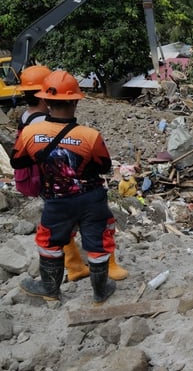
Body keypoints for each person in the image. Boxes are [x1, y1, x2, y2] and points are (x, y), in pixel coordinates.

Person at [11, 70, 118, 303]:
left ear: (46, 101)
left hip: (56, 200)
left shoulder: (30, 132)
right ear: (75, 101)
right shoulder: (90, 136)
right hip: (92, 198)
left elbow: (18, 161)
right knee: (98, 240)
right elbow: (104, 166)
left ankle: (50, 288)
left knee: (49, 241)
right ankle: (101, 291)